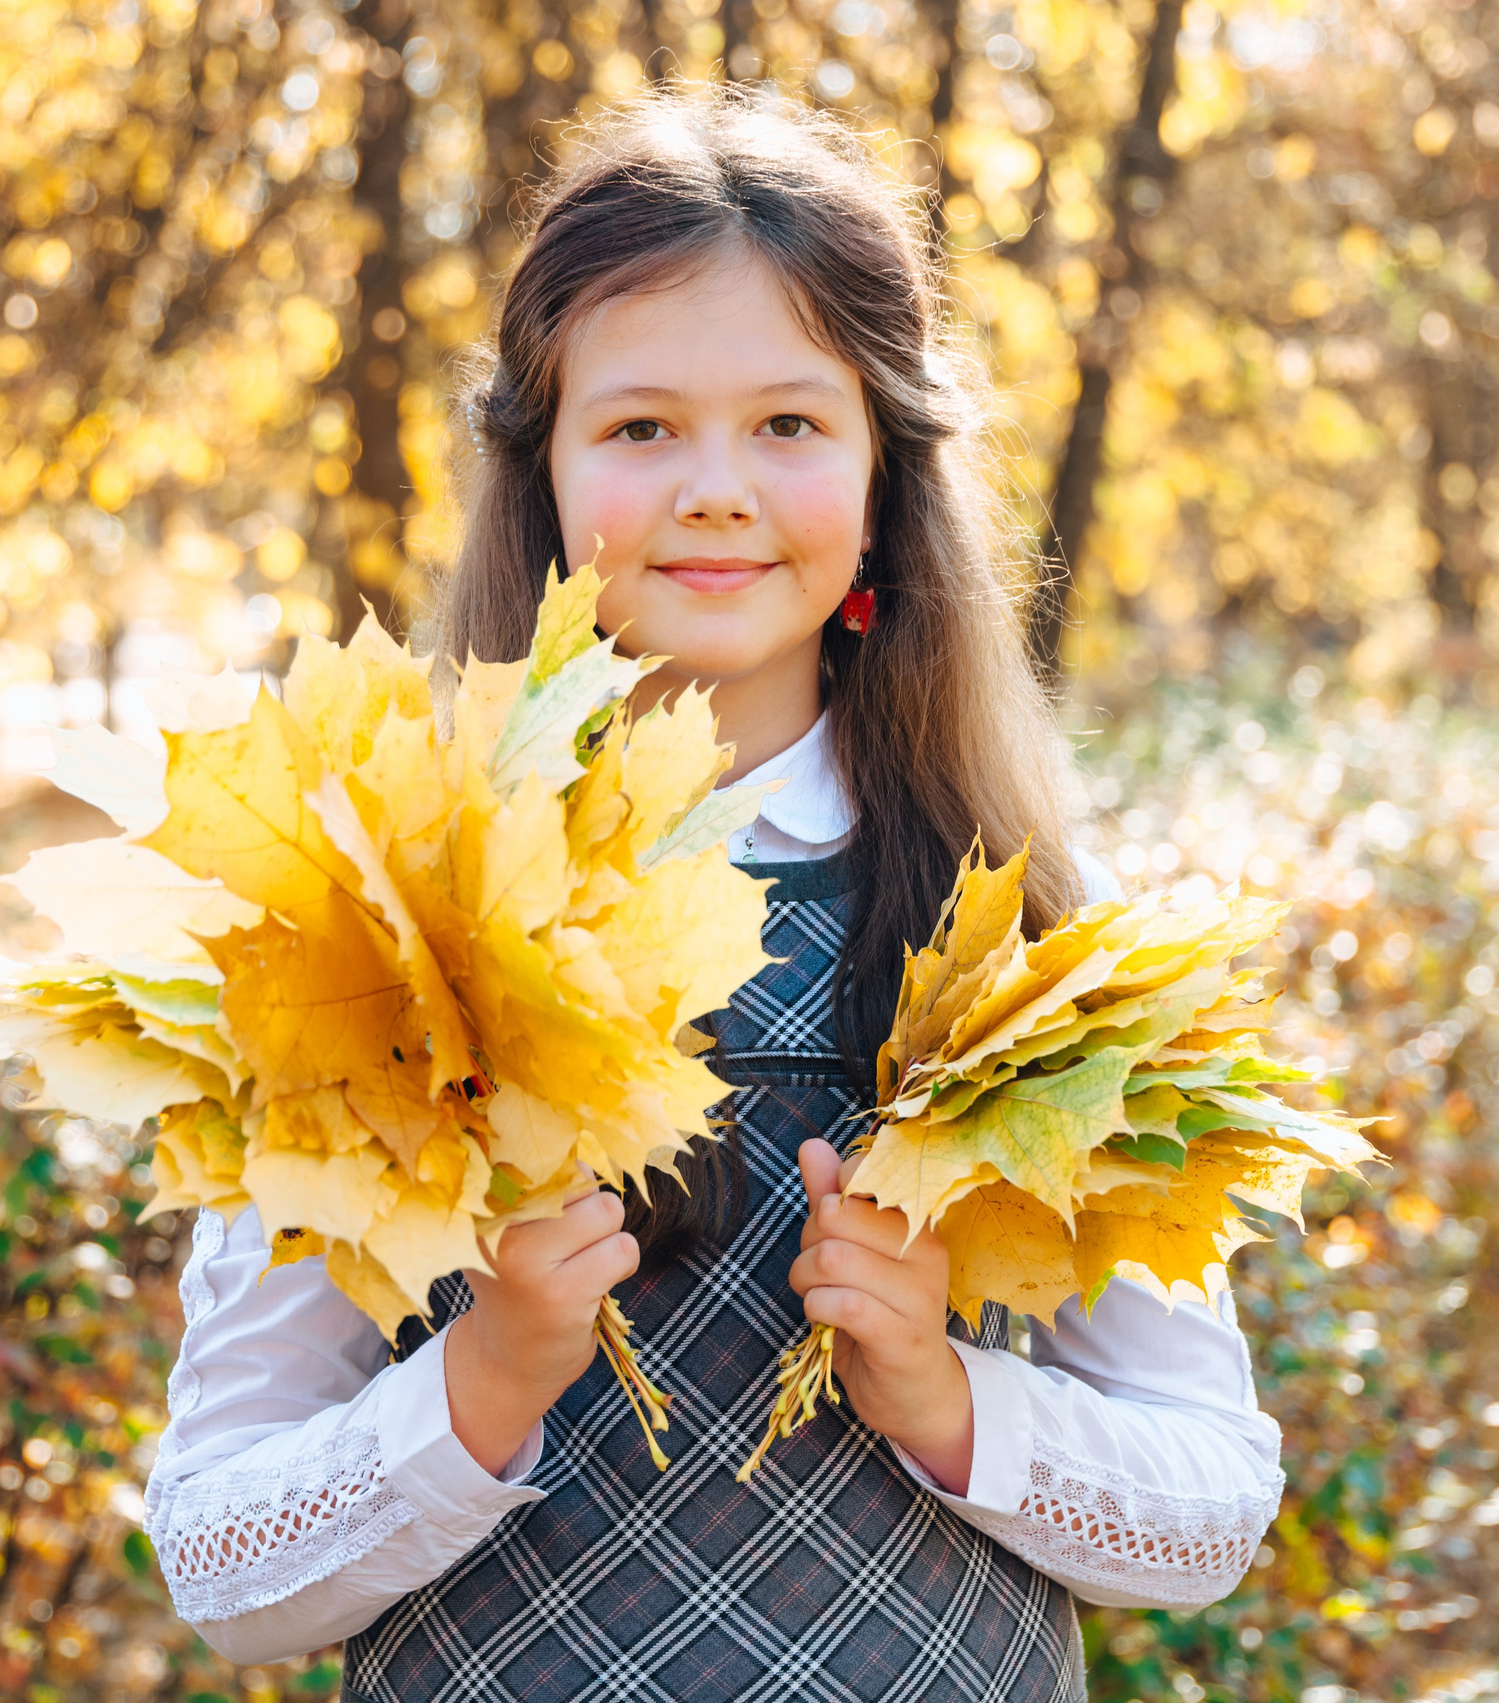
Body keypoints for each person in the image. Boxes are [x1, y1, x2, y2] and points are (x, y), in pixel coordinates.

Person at [143, 86, 1284, 1702]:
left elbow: (1209, 1508)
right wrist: (484, 1376)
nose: (716, 489)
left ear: (888, 471)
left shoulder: (1031, 935)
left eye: (792, 424)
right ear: (540, 474)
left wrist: (942, 1397)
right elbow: (220, 1561)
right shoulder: (375, 928)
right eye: (639, 427)